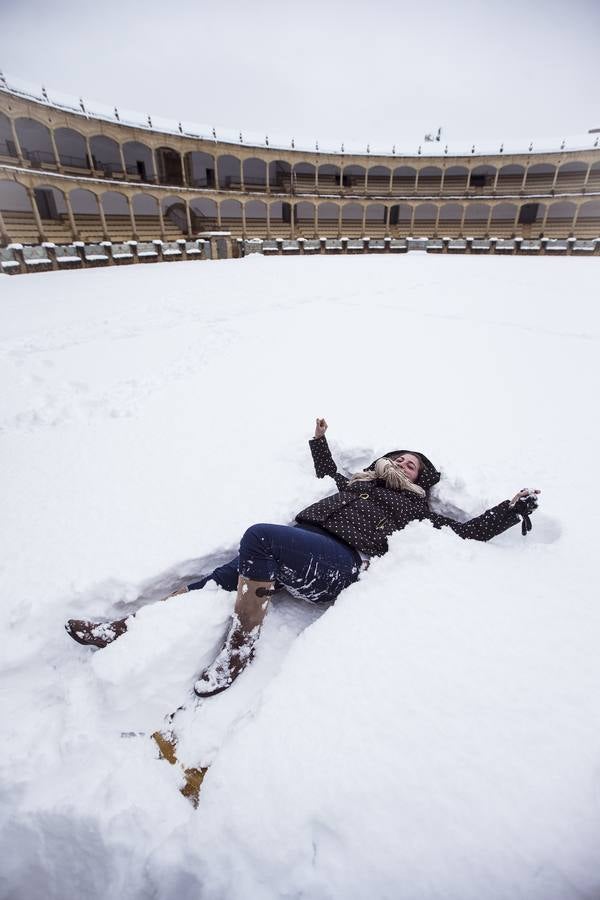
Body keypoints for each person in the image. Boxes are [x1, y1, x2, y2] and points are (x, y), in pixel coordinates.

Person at [66, 418, 540, 698]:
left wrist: (511, 509)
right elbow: (327, 471)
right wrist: (319, 441)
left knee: (258, 536)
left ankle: (239, 651)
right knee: (215, 580)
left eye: (412, 463)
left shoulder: (418, 509)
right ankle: (125, 626)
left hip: (340, 565)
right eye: (398, 457)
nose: (401, 463)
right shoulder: (356, 482)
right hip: (297, 551)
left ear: (424, 478)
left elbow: (467, 532)